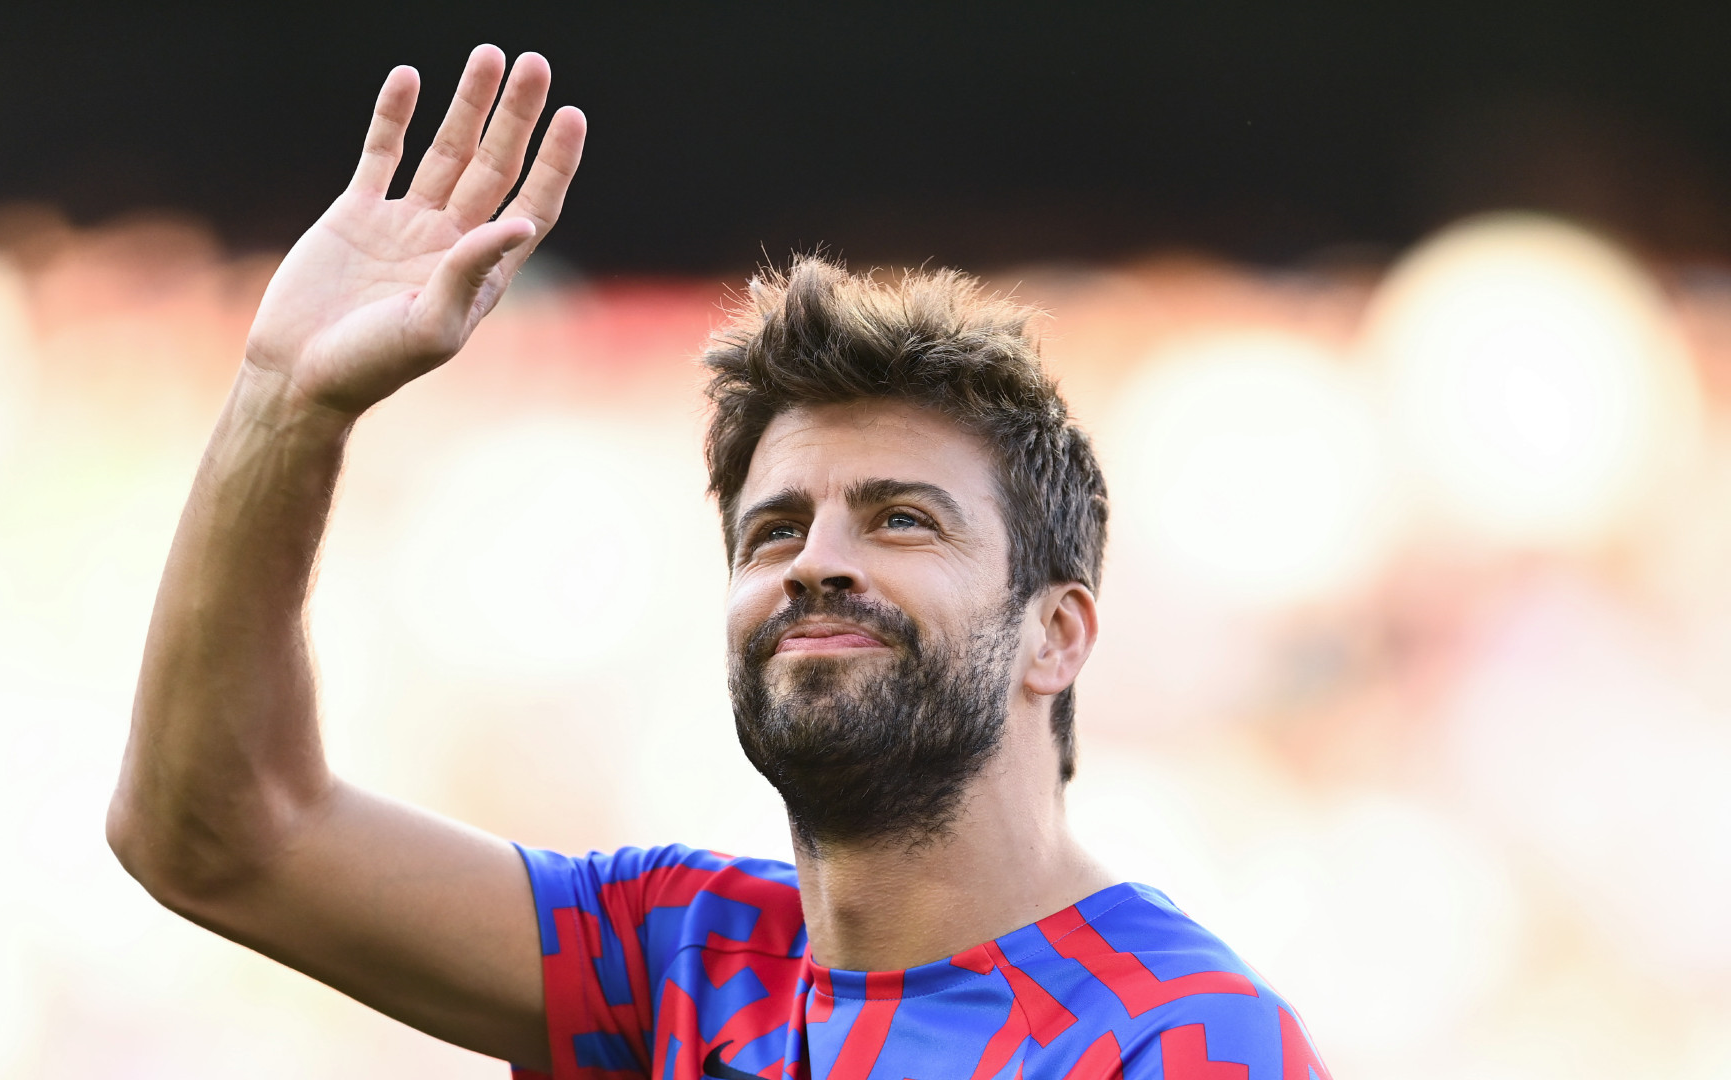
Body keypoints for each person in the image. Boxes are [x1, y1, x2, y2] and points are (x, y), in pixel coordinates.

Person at [107, 44, 1334, 1080]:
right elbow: (218, 835)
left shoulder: (1182, 1039)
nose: (817, 563)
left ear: (1055, 633)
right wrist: (287, 402)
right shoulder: (678, 960)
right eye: (774, 530)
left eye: (902, 520)